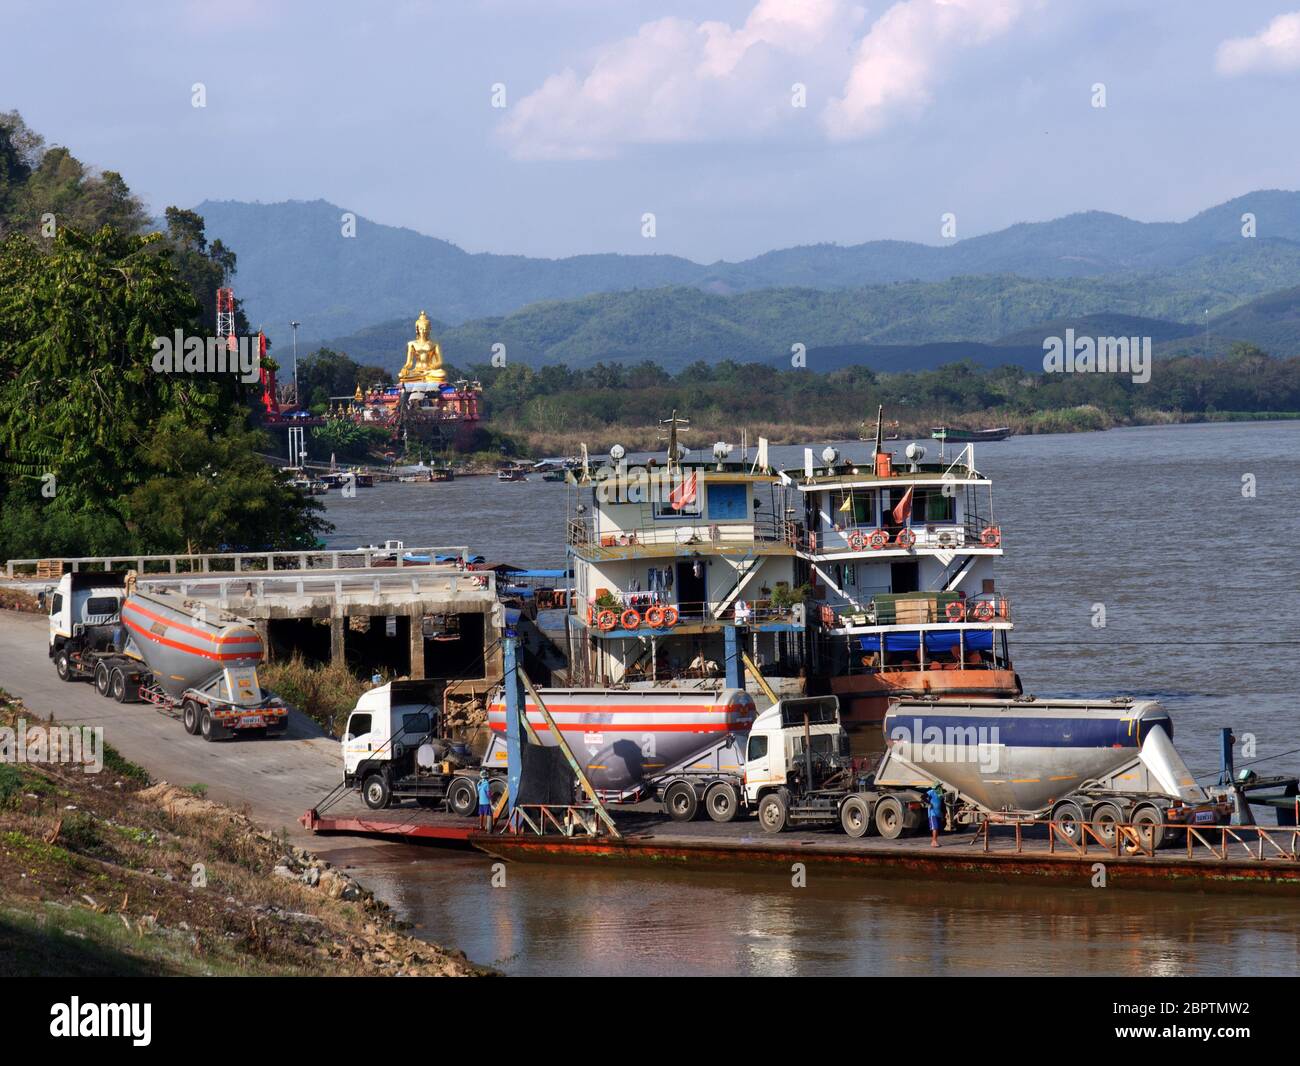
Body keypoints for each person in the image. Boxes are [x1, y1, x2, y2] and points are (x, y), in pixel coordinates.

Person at [926, 781, 945, 847]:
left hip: (938, 813)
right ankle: (933, 841)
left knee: (937, 828)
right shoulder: (931, 792)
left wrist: (943, 813)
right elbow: (923, 797)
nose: (941, 787)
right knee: (935, 827)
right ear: (937, 786)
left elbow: (942, 805)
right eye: (939, 786)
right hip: (932, 813)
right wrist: (929, 803)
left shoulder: (940, 794)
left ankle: (935, 841)